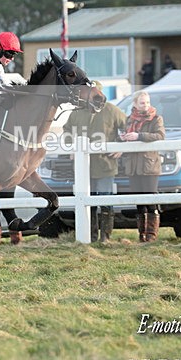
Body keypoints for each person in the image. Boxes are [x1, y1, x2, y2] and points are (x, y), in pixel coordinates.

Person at [64, 80, 127, 243]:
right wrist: (71, 147)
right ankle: (90, 236)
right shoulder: (76, 112)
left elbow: (128, 129)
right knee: (86, 203)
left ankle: (105, 237)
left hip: (105, 165)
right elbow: (67, 130)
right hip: (83, 168)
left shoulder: (113, 111)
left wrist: (121, 146)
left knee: (105, 201)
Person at [120, 90, 165, 242]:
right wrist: (125, 138)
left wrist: (139, 136)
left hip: (149, 164)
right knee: (139, 201)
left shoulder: (156, 119)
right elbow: (126, 136)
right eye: (142, 103)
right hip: (133, 165)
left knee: (151, 199)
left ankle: (152, 236)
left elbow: (160, 135)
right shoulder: (129, 120)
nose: (145, 106)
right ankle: (142, 235)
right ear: (135, 104)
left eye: (147, 102)